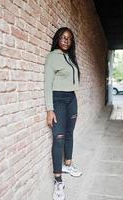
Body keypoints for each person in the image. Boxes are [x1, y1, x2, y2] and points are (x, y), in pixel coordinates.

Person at [44, 27, 83, 200]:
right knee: (58, 137)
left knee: (69, 134)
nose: (66, 40)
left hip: (71, 99)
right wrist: (49, 109)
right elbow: (47, 85)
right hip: (58, 99)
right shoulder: (52, 57)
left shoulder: (70, 58)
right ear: (57, 39)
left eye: (69, 38)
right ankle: (58, 180)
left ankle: (68, 164)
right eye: (63, 37)